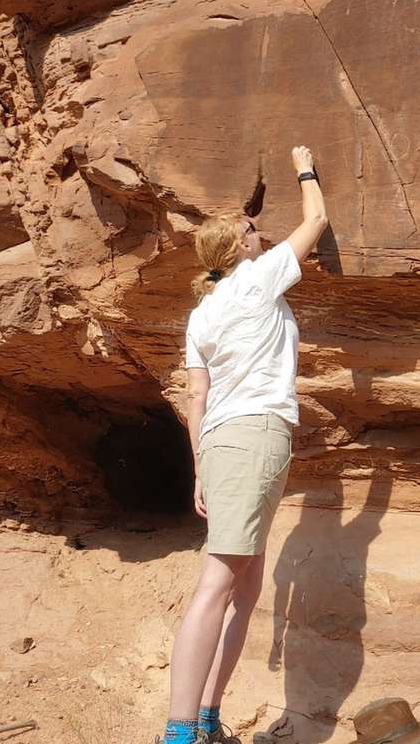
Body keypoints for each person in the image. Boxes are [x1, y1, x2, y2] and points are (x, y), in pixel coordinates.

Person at [159, 146, 327, 744]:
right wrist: (306, 168)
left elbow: (197, 400)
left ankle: (206, 716)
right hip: (255, 435)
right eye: (253, 231)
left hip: (231, 443)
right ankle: (179, 731)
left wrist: (201, 468)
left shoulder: (200, 316)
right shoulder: (257, 280)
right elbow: (316, 222)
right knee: (219, 582)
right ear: (238, 250)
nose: (262, 234)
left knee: (247, 585)